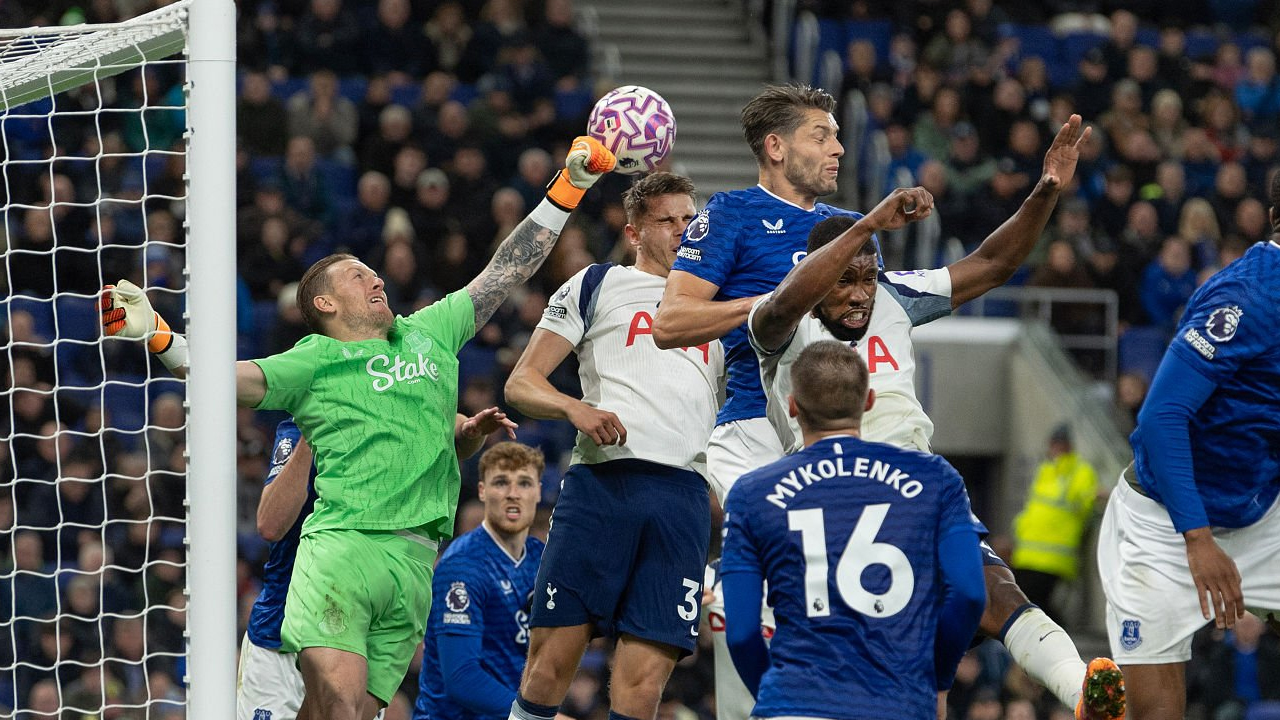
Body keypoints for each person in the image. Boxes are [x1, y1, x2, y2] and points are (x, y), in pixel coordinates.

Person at [99, 136, 618, 720]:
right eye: (357, 276)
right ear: (324, 303)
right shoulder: (315, 359)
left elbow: (505, 271)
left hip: (417, 561)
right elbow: (227, 381)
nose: (377, 280)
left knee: (341, 714)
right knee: (342, 706)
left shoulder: (430, 331)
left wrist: (568, 187)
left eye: (374, 273)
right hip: (345, 546)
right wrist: (159, 336)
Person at [688, 100, 1123, 719]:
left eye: (868, 277)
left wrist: (1046, 191)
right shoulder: (779, 324)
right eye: (845, 279)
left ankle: (1081, 688)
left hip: (911, 479)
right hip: (831, 488)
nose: (861, 293)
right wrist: (865, 225)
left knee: (994, 589)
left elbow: (992, 264)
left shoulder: (897, 296)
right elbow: (785, 300)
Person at [504, 172, 724, 720]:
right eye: (667, 220)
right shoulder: (597, 283)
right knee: (549, 666)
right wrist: (573, 408)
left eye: (690, 219)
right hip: (602, 485)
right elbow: (521, 382)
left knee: (644, 688)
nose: (683, 229)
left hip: (682, 498)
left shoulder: (720, 301)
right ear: (633, 233)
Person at [720, 340, 987, 720]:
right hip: (900, 704)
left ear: (792, 406)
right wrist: (938, 680)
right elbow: (970, 594)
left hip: (795, 701)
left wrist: (776, 697)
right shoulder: (936, 478)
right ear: (869, 401)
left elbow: (742, 632)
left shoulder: (752, 493)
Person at [1096, 175, 1280, 720]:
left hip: (1259, 510)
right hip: (1165, 526)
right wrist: (1197, 540)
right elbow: (1160, 418)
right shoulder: (1247, 298)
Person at [238, 410, 517, 720]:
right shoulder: (300, 428)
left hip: (357, 637)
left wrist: (469, 431)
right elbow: (270, 525)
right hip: (280, 637)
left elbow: (456, 429)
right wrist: (310, 432)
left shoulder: (396, 419)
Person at [414, 442, 547, 720]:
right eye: (501, 482)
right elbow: (462, 678)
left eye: (524, 483)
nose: (513, 494)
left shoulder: (542, 560)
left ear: (538, 491)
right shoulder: (463, 565)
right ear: (482, 491)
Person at [1010, 425, 1101, 621]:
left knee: (1036, 603)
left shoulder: (1079, 471)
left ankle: (1058, 634)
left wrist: (1097, 497)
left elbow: (1085, 502)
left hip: (1053, 556)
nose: (1055, 448)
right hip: (1027, 553)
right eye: (1053, 444)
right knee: (1026, 603)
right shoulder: (1045, 470)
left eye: (1060, 444)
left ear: (1069, 446)